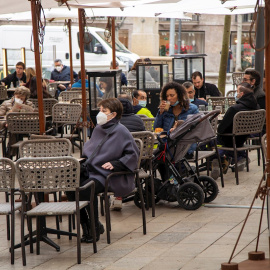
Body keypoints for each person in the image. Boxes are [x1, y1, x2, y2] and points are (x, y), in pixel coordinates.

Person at [67, 98, 139, 243]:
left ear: (113, 114)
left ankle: (93, 228)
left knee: (87, 190)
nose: (100, 113)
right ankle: (87, 225)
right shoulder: (99, 129)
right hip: (91, 170)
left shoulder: (121, 131)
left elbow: (133, 154)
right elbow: (91, 150)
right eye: (100, 110)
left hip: (108, 175)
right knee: (69, 187)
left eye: (103, 111)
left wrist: (116, 164)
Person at [217, 82, 259, 171]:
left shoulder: (234, 109)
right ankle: (239, 157)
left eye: (237, 91)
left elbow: (220, 129)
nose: (236, 94)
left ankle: (219, 159)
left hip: (229, 139)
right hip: (244, 138)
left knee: (210, 141)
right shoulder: (257, 107)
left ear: (242, 94)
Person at [154, 82, 199, 159]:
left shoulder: (192, 109)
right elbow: (156, 129)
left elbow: (196, 130)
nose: (169, 98)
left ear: (180, 95)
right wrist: (160, 113)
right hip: (168, 146)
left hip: (185, 148)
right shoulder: (165, 110)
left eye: (172, 95)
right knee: (156, 158)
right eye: (167, 96)